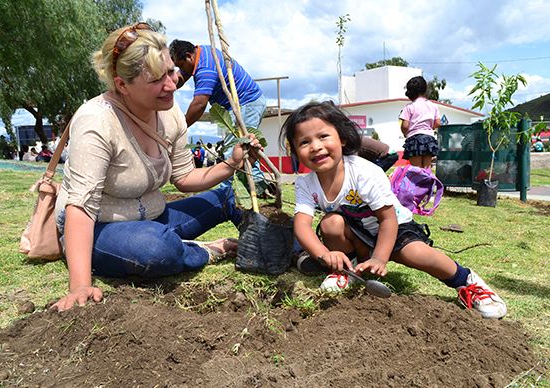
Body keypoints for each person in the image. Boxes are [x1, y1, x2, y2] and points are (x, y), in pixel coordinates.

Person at [52, 23, 262, 312]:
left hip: (156, 218)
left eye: (171, 72)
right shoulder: (97, 122)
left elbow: (185, 176)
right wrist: (79, 286)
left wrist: (231, 163)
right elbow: (80, 208)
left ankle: (273, 245)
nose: (172, 84)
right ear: (122, 84)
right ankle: (208, 250)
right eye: (156, 80)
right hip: (102, 230)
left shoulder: (170, 112)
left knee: (224, 197)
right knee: (155, 250)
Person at [280, 101, 507, 319]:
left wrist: (380, 258)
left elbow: (387, 219)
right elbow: (302, 225)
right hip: (357, 231)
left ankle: (467, 281)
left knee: (416, 254)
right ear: (296, 151)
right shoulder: (305, 183)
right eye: (304, 142)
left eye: (323, 136)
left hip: (394, 227)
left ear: (342, 139)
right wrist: (324, 254)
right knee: (331, 223)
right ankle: (346, 270)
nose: (316, 147)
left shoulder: (363, 173)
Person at [169, 39, 269, 194]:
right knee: (246, 148)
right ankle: (258, 187)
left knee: (232, 150)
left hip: (246, 103)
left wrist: (180, 128)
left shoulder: (206, 69)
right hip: (244, 103)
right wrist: (165, 86)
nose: (180, 70)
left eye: (180, 66)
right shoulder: (202, 52)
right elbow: (180, 78)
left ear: (188, 56)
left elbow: (199, 104)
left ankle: (224, 193)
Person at [399, 76, 440, 169]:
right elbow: (438, 122)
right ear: (425, 89)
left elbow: (405, 126)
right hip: (429, 139)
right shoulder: (433, 106)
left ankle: (417, 184)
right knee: (427, 170)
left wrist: (406, 134)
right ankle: (428, 184)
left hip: (414, 139)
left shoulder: (409, 107)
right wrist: (430, 128)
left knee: (416, 170)